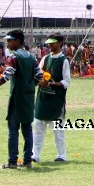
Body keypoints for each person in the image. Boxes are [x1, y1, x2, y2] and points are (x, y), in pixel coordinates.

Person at [0, 29, 39, 169]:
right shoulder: (31, 57)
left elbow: (6, 77)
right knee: (27, 129)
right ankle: (27, 161)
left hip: (17, 98)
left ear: (17, 41)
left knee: (13, 130)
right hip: (29, 98)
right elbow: (39, 77)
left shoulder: (13, 57)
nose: (8, 43)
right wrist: (29, 85)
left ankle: (12, 161)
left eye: (10, 40)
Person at [33, 33, 70, 163]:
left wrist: (50, 83)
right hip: (43, 98)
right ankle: (35, 156)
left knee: (58, 130)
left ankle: (61, 155)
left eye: (53, 43)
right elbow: (38, 73)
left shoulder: (63, 60)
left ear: (60, 43)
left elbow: (66, 82)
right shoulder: (45, 58)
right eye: (49, 43)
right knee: (38, 128)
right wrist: (39, 80)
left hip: (56, 100)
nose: (50, 45)